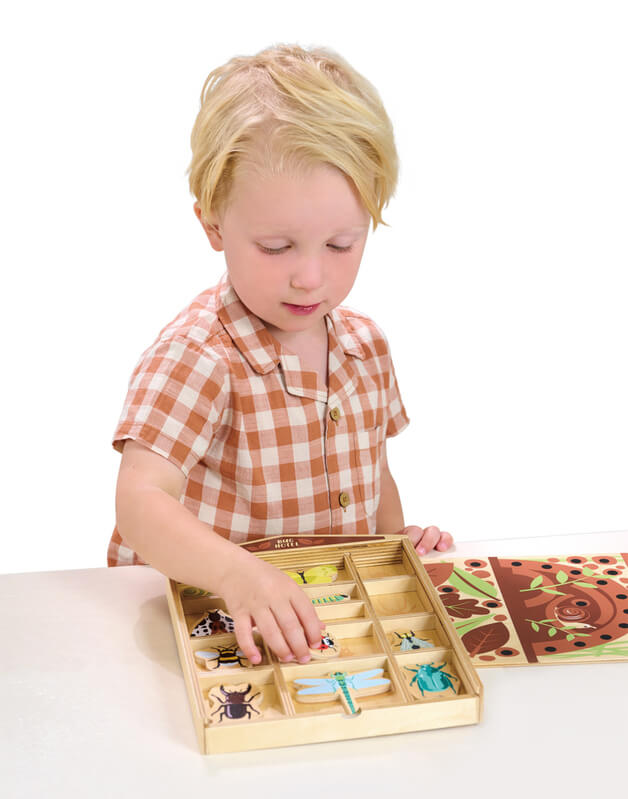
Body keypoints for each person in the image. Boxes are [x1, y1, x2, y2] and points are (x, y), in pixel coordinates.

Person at [111, 44, 453, 666]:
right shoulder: (198, 355)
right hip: (201, 629)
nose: (310, 277)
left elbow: (374, 474)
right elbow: (140, 502)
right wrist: (237, 574)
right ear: (213, 226)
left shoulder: (366, 346)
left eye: (341, 244)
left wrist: (393, 550)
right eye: (276, 247)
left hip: (320, 627)